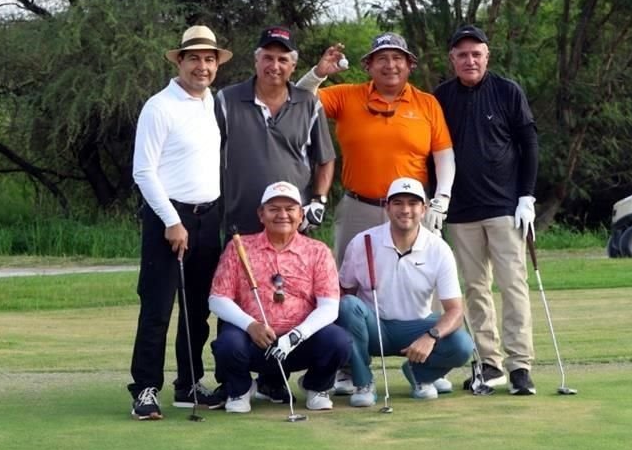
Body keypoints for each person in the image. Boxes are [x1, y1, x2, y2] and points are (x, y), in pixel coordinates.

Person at [128, 25, 232, 420]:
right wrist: (172, 221)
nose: (202, 67)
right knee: (157, 308)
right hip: (168, 218)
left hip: (208, 217)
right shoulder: (160, 106)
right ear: (181, 62)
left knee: (196, 310)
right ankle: (145, 389)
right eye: (194, 59)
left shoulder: (213, 103)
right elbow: (144, 171)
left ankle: (188, 385)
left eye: (209, 60)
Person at [434, 25, 540, 395]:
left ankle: (519, 365)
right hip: (461, 211)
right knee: (475, 288)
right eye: (462, 55)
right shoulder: (440, 98)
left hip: (505, 208)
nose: (470, 60)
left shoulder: (507, 91)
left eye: (476, 53)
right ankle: (490, 364)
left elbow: (529, 144)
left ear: (487, 56)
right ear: (452, 60)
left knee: (513, 285)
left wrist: (526, 195)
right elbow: (432, 153)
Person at [296, 32, 455, 263]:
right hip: (359, 208)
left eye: (397, 58)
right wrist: (318, 74)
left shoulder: (427, 103)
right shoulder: (346, 96)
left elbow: (444, 155)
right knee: (350, 283)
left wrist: (442, 199)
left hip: (410, 209)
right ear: (368, 66)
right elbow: (298, 101)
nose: (390, 65)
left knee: (416, 280)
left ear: (409, 65)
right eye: (381, 58)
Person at [208, 181, 352, 413]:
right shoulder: (239, 247)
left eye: (290, 208)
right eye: (274, 208)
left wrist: (296, 336)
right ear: (261, 214)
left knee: (338, 341)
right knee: (227, 344)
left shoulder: (318, 251)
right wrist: (251, 325)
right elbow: (217, 299)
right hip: (254, 338)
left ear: (301, 214)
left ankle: (316, 386)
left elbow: (329, 307)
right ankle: (241, 388)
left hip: (300, 342)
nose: (282, 215)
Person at [335, 177, 474, 406]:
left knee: (462, 345)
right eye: (398, 203)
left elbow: (455, 311)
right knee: (348, 306)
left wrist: (430, 337)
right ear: (387, 207)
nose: (405, 210)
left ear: (424, 208)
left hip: (417, 327)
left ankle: (419, 374)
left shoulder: (438, 249)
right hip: (374, 327)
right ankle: (362, 381)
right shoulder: (363, 241)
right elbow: (345, 294)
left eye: (413, 203)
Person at [215, 26, 336, 238]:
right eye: (268, 58)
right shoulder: (227, 100)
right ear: (256, 61)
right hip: (242, 223)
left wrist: (319, 201)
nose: (275, 66)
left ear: (293, 66)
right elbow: (206, 155)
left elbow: (325, 159)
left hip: (294, 224)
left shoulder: (308, 103)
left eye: (282, 60)